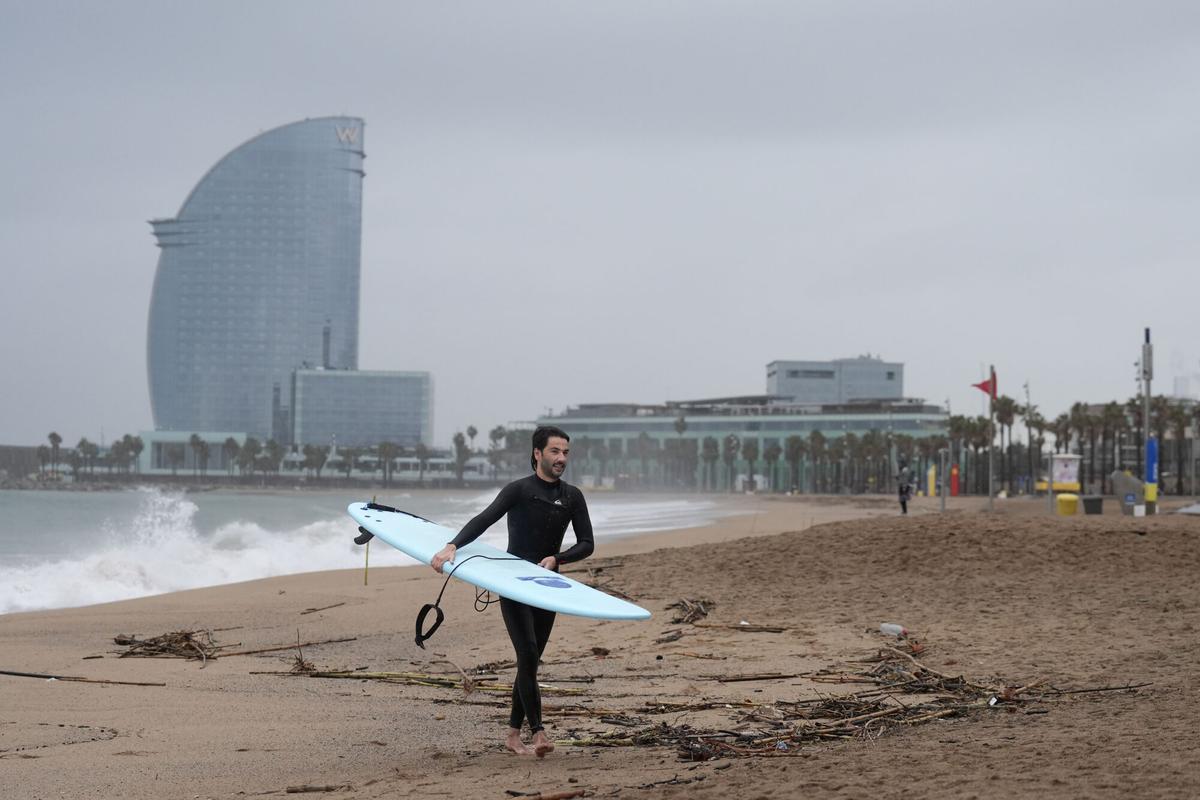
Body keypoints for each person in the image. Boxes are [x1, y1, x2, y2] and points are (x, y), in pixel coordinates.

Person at [431, 426, 593, 757]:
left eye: (565, 453)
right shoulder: (518, 490)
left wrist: (558, 558)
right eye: (554, 452)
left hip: (547, 586)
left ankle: (511, 736)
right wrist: (452, 546)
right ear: (537, 453)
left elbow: (588, 543)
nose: (561, 458)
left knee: (530, 663)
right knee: (529, 653)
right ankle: (539, 733)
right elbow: (485, 518)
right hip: (513, 582)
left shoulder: (573, 496)